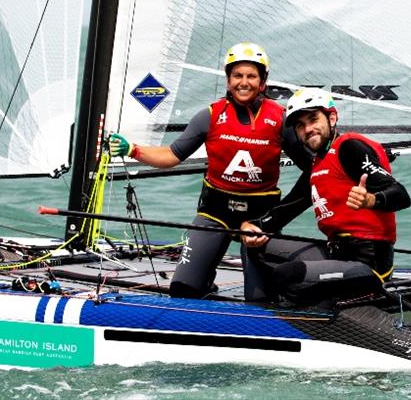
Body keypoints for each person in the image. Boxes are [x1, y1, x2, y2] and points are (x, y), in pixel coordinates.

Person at [109, 42, 310, 299]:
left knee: (261, 302)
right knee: (183, 290)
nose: (244, 82)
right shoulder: (210, 116)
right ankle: (205, 282)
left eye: (251, 76)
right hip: (215, 212)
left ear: (262, 82)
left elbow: (312, 169)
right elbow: (172, 155)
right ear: (228, 80)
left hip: (260, 219)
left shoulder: (280, 119)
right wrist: (132, 149)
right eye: (237, 76)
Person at [240, 87, 411, 304]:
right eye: (300, 126)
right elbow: (286, 210)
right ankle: (261, 312)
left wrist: (371, 200)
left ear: (331, 118)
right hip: (336, 255)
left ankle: (332, 308)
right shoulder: (317, 164)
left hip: (369, 266)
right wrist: (251, 225)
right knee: (254, 244)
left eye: (313, 120)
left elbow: (401, 195)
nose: (308, 129)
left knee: (287, 276)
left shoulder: (349, 148)